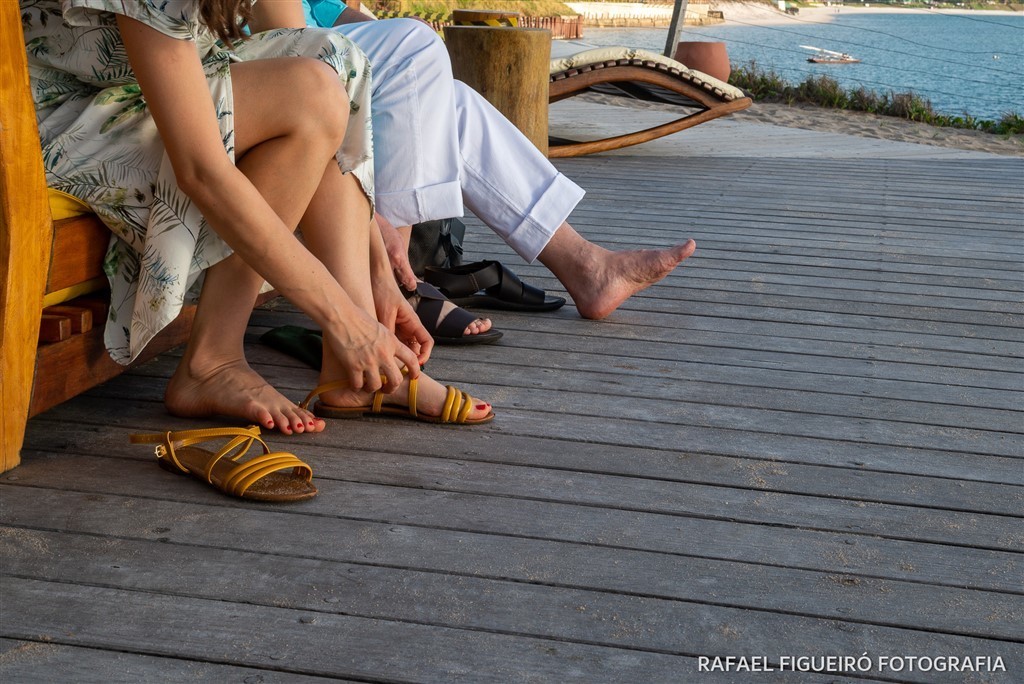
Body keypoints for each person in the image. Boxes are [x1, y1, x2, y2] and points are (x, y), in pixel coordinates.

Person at [22, 0, 492, 434]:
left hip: (147, 95)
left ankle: (352, 373)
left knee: (332, 58)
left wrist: (377, 279)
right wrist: (345, 318)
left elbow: (310, 61)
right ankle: (211, 360)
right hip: (55, 120)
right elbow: (201, 172)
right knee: (308, 96)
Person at [304, 1, 697, 324]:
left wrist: (385, 29)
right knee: (413, 48)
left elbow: (323, 8)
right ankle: (395, 286)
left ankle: (586, 267)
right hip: (286, 68)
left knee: (451, 100)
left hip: (320, 52)